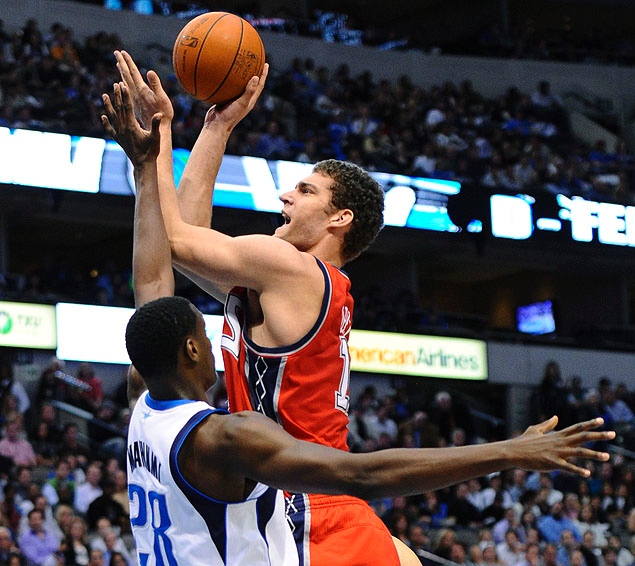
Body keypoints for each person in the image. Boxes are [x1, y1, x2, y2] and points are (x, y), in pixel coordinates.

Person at [102, 70, 616, 566]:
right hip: (319, 497)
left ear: (339, 219)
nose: (285, 196)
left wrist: (161, 144)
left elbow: (172, 241)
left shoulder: (292, 270)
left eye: (305, 191)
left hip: (300, 506)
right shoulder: (288, 288)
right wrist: (216, 127)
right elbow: (179, 244)